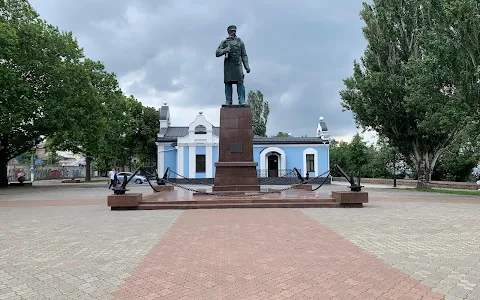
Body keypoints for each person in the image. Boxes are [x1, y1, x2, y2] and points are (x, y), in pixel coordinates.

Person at [216, 25, 250, 105]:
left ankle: (242, 100)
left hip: (237, 65)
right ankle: (228, 101)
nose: (233, 32)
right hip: (228, 66)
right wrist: (225, 50)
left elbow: (244, 55)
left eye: (234, 31)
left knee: (240, 82)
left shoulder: (240, 43)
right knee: (228, 83)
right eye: (231, 31)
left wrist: (247, 66)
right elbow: (217, 53)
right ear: (228, 32)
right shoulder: (224, 42)